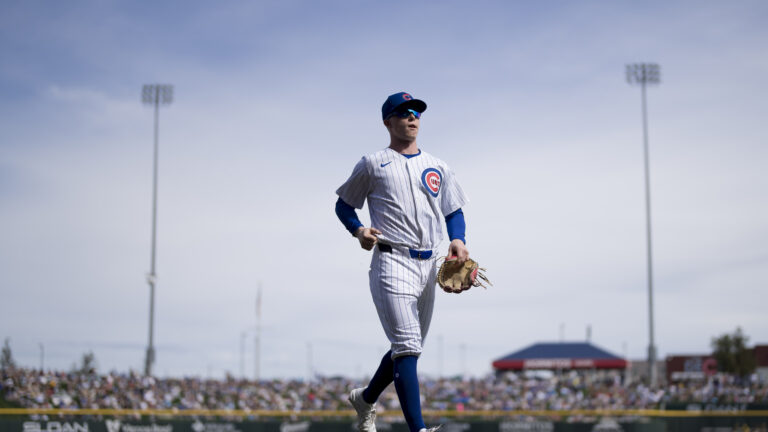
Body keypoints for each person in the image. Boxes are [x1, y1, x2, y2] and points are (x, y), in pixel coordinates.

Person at [335, 92, 470, 432]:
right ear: (388, 121)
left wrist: (458, 239)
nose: (412, 117)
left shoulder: (438, 166)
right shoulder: (372, 162)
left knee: (405, 348)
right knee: (408, 346)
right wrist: (358, 230)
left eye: (417, 113)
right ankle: (419, 430)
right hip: (391, 260)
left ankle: (365, 398)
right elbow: (343, 205)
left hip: (428, 265)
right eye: (404, 112)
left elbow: (454, 211)